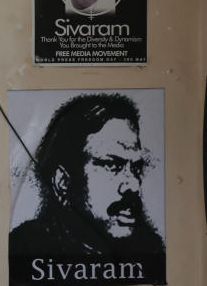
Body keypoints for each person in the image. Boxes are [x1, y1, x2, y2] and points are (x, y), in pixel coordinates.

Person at [9, 93, 165, 259]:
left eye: (136, 167)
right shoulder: (25, 249)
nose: (134, 185)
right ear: (63, 182)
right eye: (112, 165)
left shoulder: (152, 249)